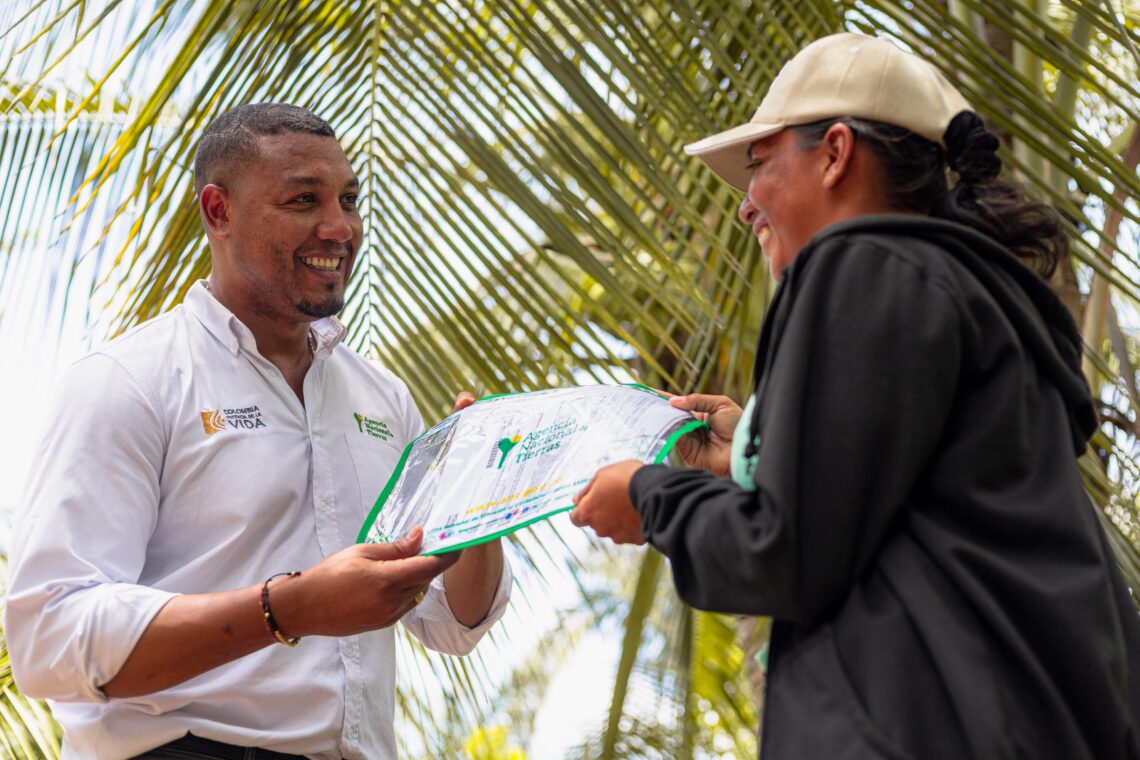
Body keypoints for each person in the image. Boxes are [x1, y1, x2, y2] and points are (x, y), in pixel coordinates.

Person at [570, 32, 1140, 759]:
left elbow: (783, 554)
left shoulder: (859, 261)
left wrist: (649, 498)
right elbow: (895, 514)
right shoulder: (977, 303)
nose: (745, 207)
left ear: (836, 152)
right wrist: (755, 453)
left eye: (759, 164)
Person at [4, 103, 511, 760]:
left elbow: (451, 622)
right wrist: (288, 609)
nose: (341, 227)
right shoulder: (130, 380)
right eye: (304, 200)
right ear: (219, 212)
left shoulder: (384, 398)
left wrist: (482, 503)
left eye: (349, 200)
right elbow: (50, 638)